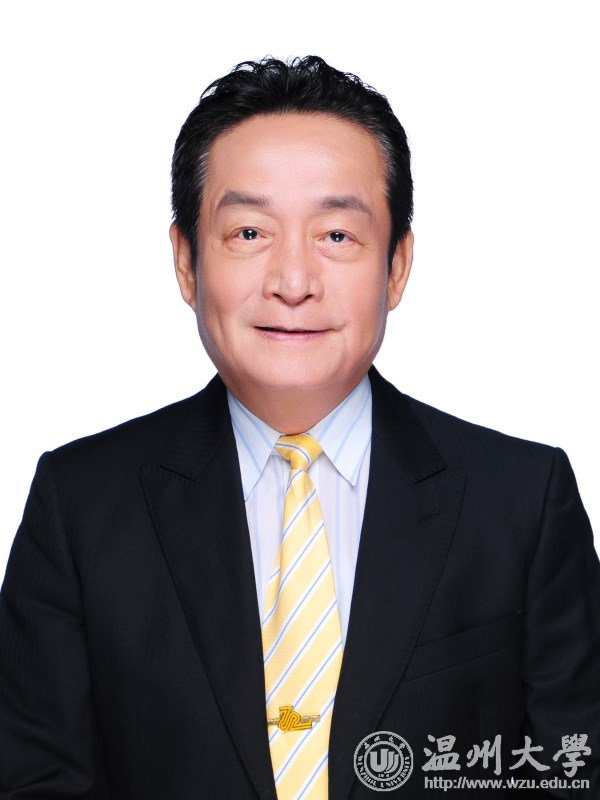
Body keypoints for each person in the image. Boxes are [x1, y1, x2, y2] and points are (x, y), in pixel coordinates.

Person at [0, 56, 598, 800]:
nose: (292, 282)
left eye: (337, 235)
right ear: (186, 262)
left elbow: (572, 772)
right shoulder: (80, 506)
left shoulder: (522, 503)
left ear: (398, 265)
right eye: (249, 232)